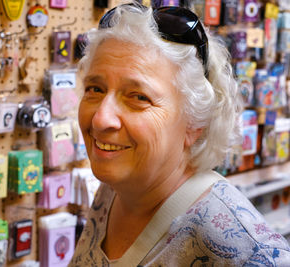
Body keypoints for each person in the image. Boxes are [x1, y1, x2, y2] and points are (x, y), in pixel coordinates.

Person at [69, 2, 290, 266]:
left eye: (139, 97)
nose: (101, 119)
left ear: (194, 123)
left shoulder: (248, 254)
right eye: (95, 89)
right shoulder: (118, 188)